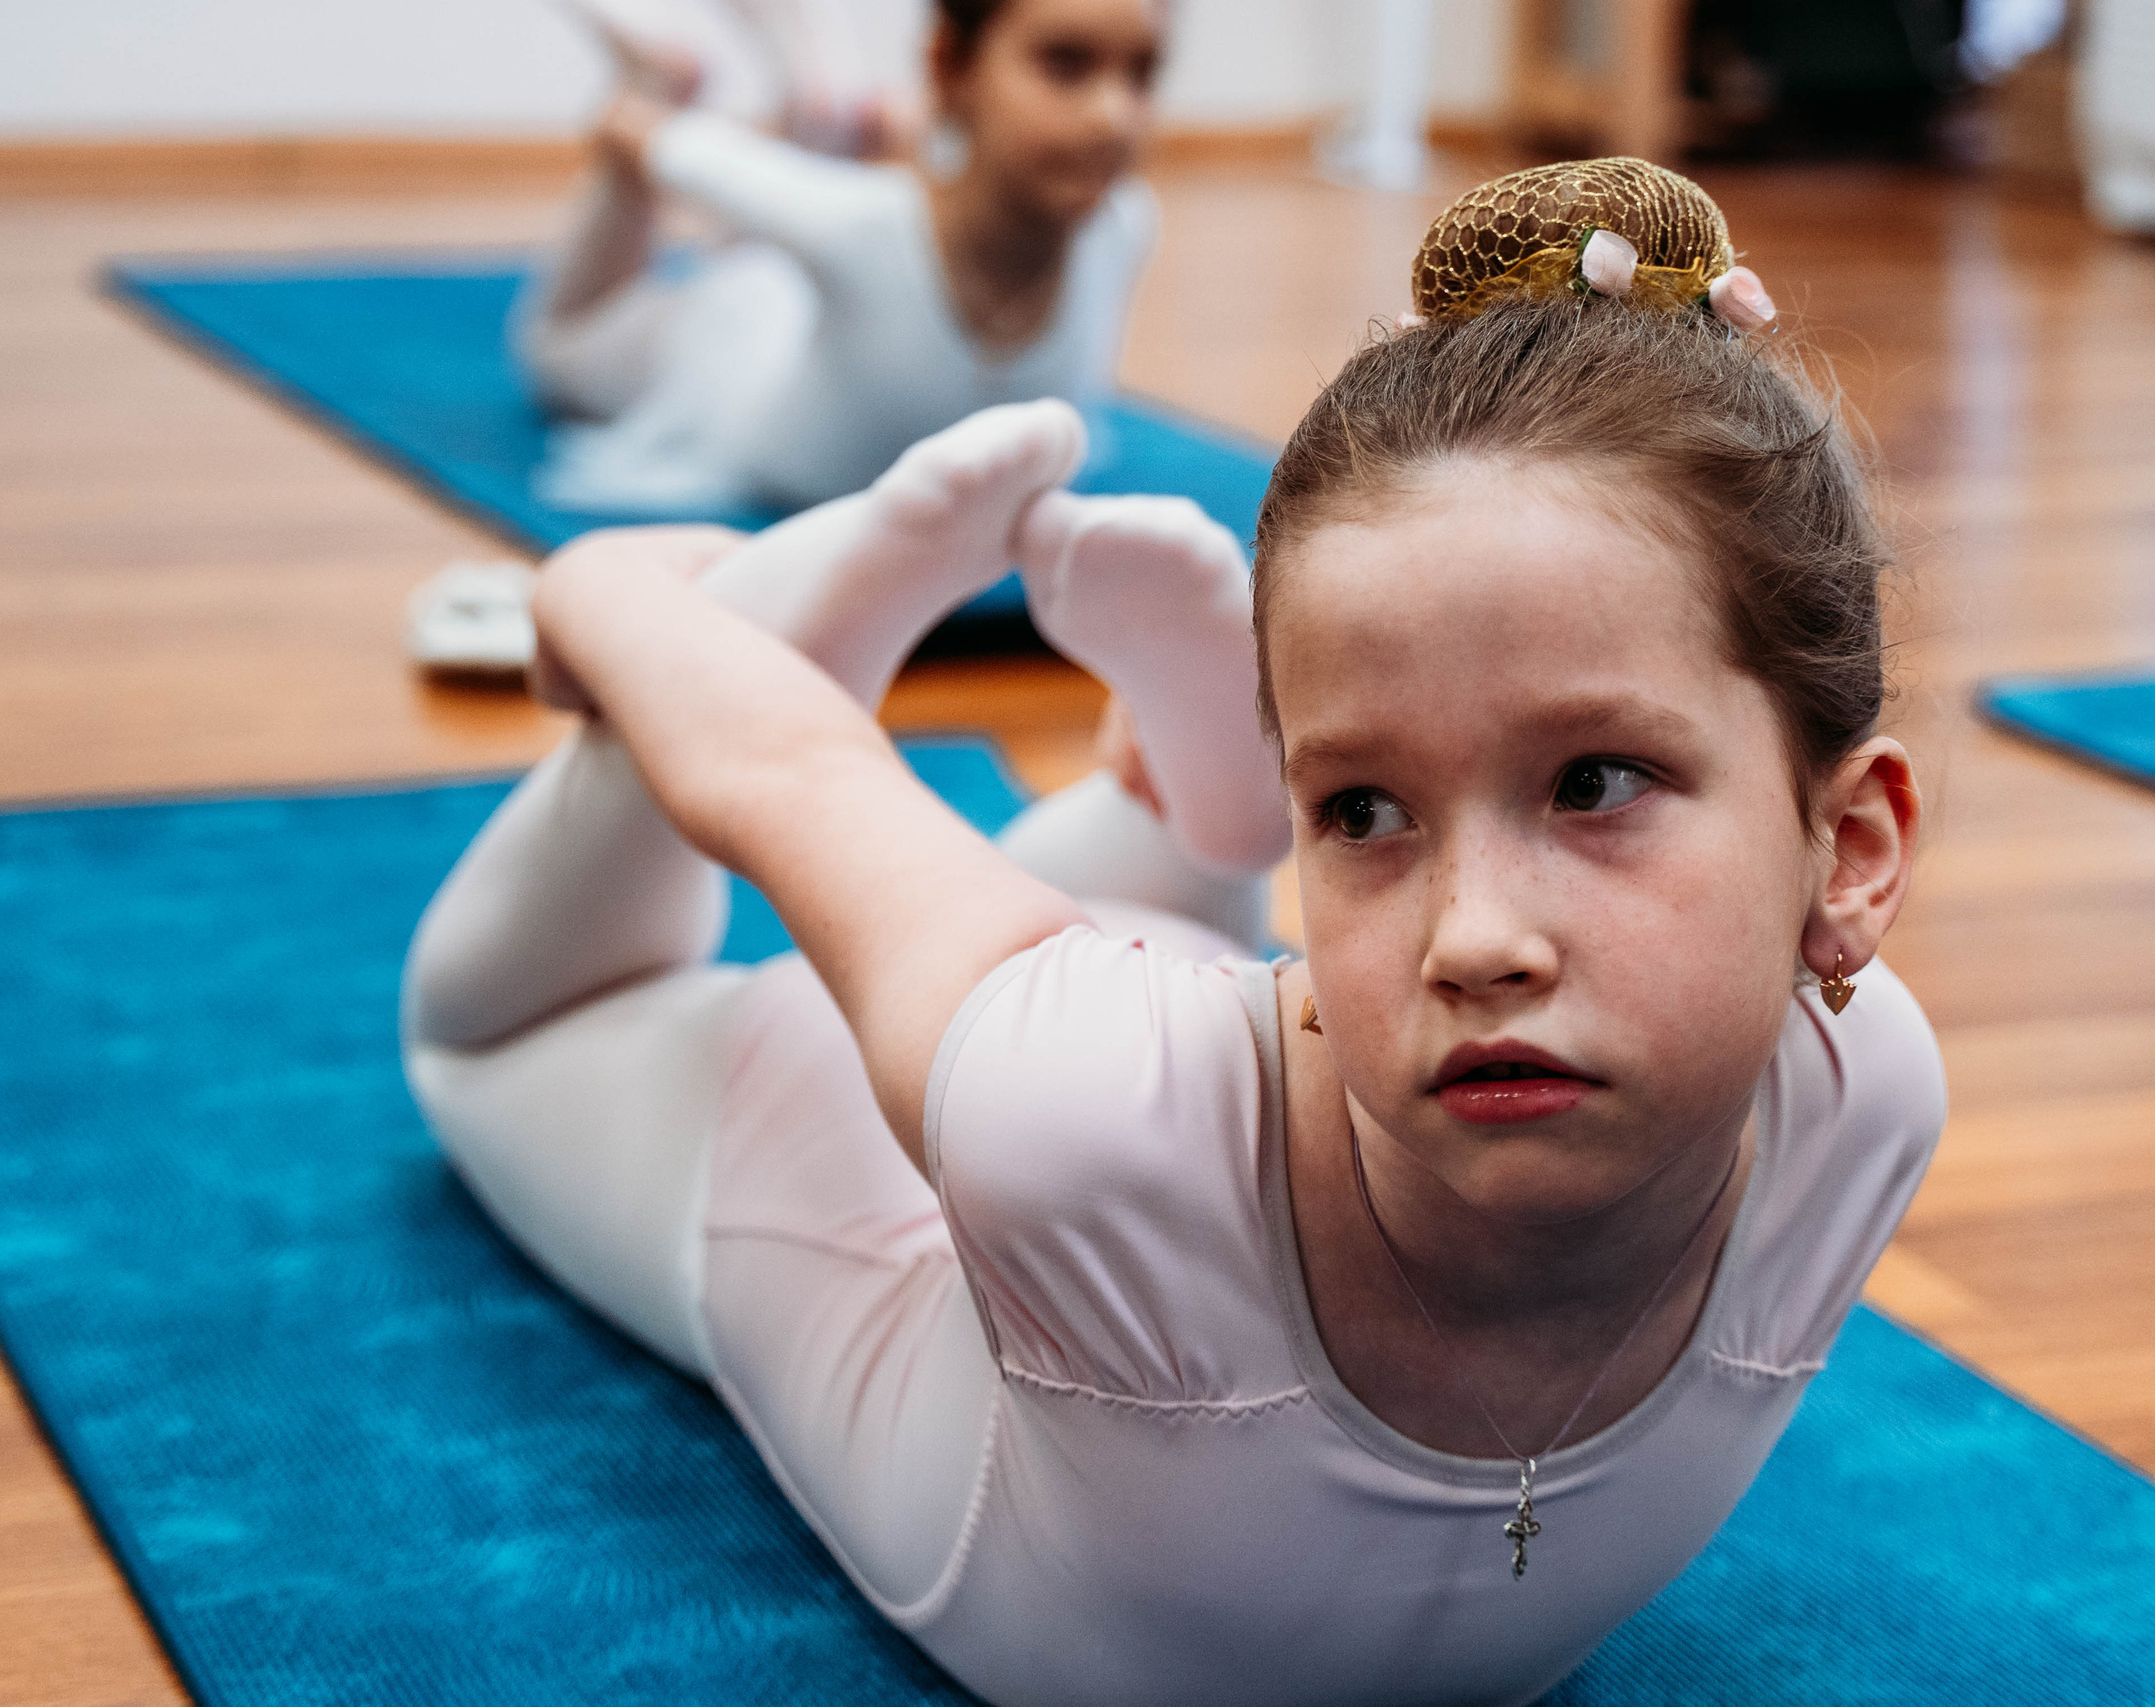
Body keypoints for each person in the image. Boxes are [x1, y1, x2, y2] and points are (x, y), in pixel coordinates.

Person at [403, 161, 1941, 1706]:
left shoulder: (1864, 1099)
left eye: (1594, 783)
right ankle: (807, 633)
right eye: (1361, 806)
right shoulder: (1080, 1110)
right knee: (487, 1029)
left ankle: (1182, 824)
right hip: (888, 1154)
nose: (1476, 938)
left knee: (1128, 949)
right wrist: (605, 594)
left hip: (1140, 1033)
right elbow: (787, 774)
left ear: (1851, 853)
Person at [518, 0, 1166, 516]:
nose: (1114, 117)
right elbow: (632, 133)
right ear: (950, 67)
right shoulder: (858, 224)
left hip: (820, 309)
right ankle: (664, 78)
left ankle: (821, 103)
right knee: (556, 348)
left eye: (1141, 72)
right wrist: (645, 110)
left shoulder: (1128, 225)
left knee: (798, 216)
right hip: (730, 344)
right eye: (1066, 63)